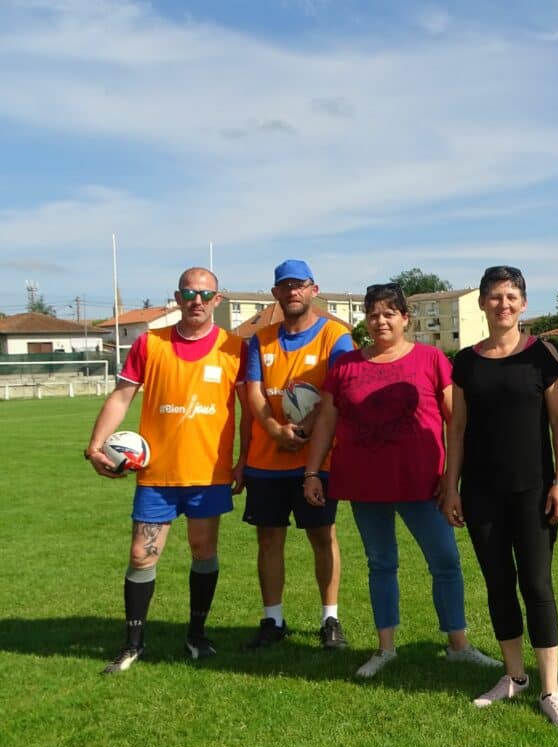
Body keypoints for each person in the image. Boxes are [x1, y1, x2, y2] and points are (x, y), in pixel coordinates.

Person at [303, 283, 498, 677]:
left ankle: (458, 644)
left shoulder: (430, 360)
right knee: (381, 563)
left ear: (405, 318)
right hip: (364, 483)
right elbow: (326, 420)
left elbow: (455, 422)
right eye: (373, 314)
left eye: (389, 313)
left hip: (423, 483)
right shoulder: (345, 367)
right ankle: (385, 647)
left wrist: (453, 479)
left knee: (445, 561)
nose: (381, 321)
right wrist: (312, 471)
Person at [84, 267, 248, 673]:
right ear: (177, 297)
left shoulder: (234, 348)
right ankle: (133, 643)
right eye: (188, 293)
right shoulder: (149, 343)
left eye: (205, 294)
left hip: (208, 473)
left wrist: (244, 459)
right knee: (142, 555)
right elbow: (122, 397)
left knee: (203, 551)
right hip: (157, 475)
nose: (196, 301)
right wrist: (94, 445)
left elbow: (250, 412)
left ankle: (196, 634)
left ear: (217, 300)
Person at [441, 266, 558, 730]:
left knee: (537, 586)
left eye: (511, 296)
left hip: (534, 490)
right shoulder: (466, 362)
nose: (503, 304)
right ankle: (514, 676)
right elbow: (456, 428)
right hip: (481, 492)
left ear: (523, 303)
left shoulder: (542, 356)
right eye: (494, 296)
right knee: (498, 583)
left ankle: (551, 690)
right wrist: (451, 486)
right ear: (482, 304)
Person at [242, 259, 354, 651]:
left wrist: (305, 429)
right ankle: (273, 619)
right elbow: (253, 392)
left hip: (316, 460)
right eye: (284, 286)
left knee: (322, 537)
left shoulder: (336, 336)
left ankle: (330, 618)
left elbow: (335, 393)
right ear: (275, 293)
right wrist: (274, 429)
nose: (292, 292)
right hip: (267, 460)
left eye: (299, 285)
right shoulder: (261, 338)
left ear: (313, 289)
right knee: (268, 540)